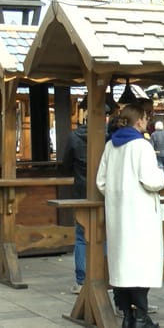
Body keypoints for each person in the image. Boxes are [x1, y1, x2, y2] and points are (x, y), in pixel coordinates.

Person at [96, 104, 164, 328]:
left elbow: (101, 182)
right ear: (139, 121)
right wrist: (161, 175)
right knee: (141, 265)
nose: (147, 122)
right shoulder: (141, 146)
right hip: (140, 214)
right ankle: (141, 316)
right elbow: (151, 181)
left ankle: (127, 314)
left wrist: (117, 193)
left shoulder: (110, 145)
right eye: (146, 119)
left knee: (123, 265)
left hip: (118, 213)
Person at [61, 119, 88, 295]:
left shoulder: (74, 136)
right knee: (106, 235)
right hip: (105, 191)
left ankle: (82, 281)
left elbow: (66, 164)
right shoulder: (109, 135)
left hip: (81, 190)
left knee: (81, 237)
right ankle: (106, 277)